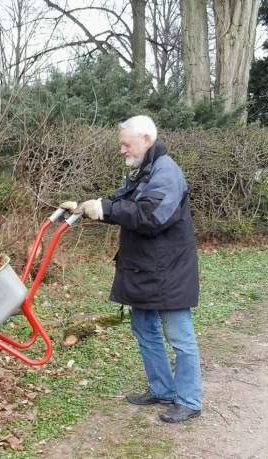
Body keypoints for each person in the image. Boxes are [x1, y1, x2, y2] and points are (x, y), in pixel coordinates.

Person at [61, 115, 202, 423]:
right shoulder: (144, 170)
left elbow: (151, 215)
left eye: (126, 144)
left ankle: (190, 399)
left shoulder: (166, 172)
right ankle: (162, 389)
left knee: (179, 336)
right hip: (146, 269)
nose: (122, 150)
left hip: (168, 272)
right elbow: (122, 201)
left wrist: (107, 210)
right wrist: (92, 205)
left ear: (146, 139)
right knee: (144, 329)